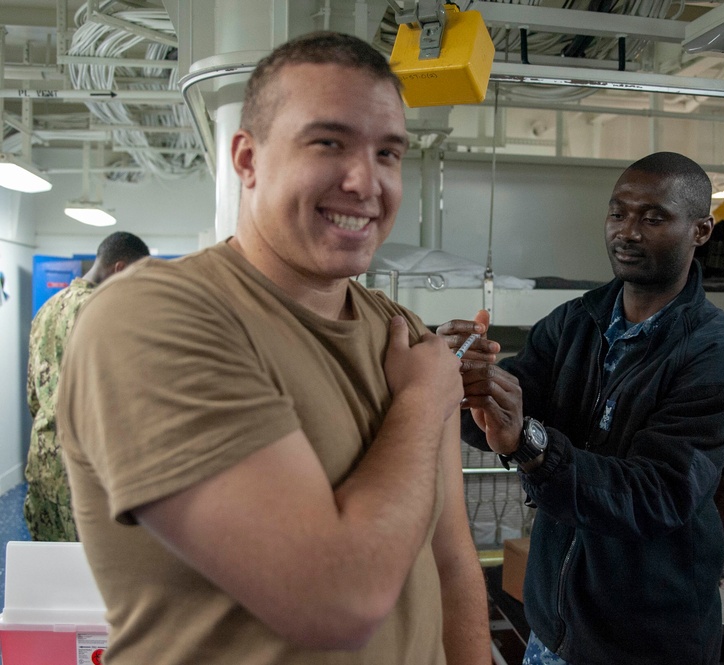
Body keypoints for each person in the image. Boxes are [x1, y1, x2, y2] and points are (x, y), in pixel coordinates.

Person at [56, 32, 490, 665]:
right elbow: (334, 602)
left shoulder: (401, 333)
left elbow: (450, 563)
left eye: (389, 153)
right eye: (329, 143)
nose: (366, 181)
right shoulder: (150, 318)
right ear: (247, 158)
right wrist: (424, 401)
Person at [438, 152, 724, 665]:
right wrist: (454, 381)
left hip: (643, 643)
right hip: (552, 629)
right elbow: (500, 418)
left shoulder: (716, 359)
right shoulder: (574, 323)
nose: (627, 232)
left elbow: (657, 495)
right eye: (618, 213)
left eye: (652, 218)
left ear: (700, 231)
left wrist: (532, 445)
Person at [25, 231, 150, 542]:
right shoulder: (106, 312)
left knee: (50, 564)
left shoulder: (47, 309)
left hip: (44, 456)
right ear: (119, 269)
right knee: (94, 566)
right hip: (87, 463)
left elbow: (33, 394)